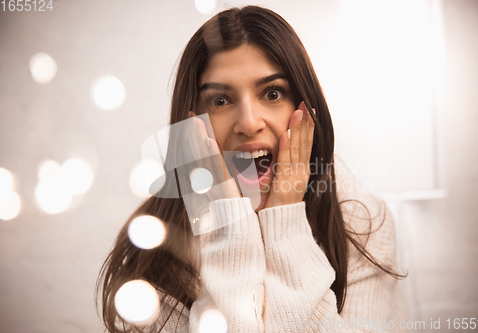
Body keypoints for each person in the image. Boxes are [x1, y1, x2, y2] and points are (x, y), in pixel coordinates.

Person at [96, 5, 408, 333]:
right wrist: (229, 226)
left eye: (272, 93)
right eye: (220, 100)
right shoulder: (156, 243)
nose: (248, 122)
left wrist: (286, 222)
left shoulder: (362, 222)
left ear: (303, 105)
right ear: (191, 125)